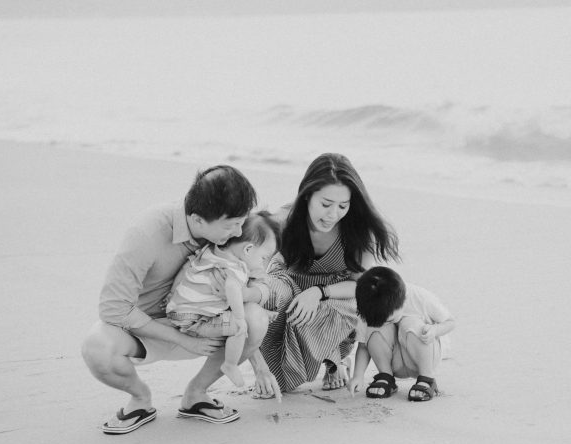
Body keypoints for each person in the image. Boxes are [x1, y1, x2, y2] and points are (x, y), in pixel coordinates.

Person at [81, 165, 280, 435]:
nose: (237, 232)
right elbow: (113, 308)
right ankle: (140, 399)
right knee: (96, 347)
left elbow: (262, 278)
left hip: (207, 323)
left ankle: (196, 395)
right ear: (198, 220)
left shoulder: (230, 229)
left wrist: (259, 365)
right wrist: (181, 339)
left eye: (241, 223)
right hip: (147, 331)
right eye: (231, 225)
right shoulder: (147, 232)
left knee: (255, 317)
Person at [259, 153, 399, 393]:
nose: (333, 214)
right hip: (289, 283)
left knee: (336, 309)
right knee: (266, 294)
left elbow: (363, 286)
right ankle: (268, 367)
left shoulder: (358, 230)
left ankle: (335, 358)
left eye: (342, 206)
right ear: (307, 195)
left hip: (335, 295)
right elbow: (252, 258)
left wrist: (318, 292)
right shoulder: (286, 219)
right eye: (325, 204)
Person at [166, 212, 280, 390]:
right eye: (264, 258)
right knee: (239, 328)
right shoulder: (236, 268)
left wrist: (172, 293)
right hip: (194, 321)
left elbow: (187, 267)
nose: (262, 265)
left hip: (177, 309)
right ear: (248, 249)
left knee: (229, 307)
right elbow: (234, 291)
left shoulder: (211, 251)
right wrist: (241, 319)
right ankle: (230, 364)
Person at [348, 266, 455, 402]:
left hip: (421, 356)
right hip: (395, 361)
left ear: (403, 300)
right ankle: (386, 376)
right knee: (374, 328)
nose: (386, 321)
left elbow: (450, 322)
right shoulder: (370, 307)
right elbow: (363, 345)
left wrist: (434, 330)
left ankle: (426, 379)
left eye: (390, 319)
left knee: (410, 323)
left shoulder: (419, 297)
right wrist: (358, 376)